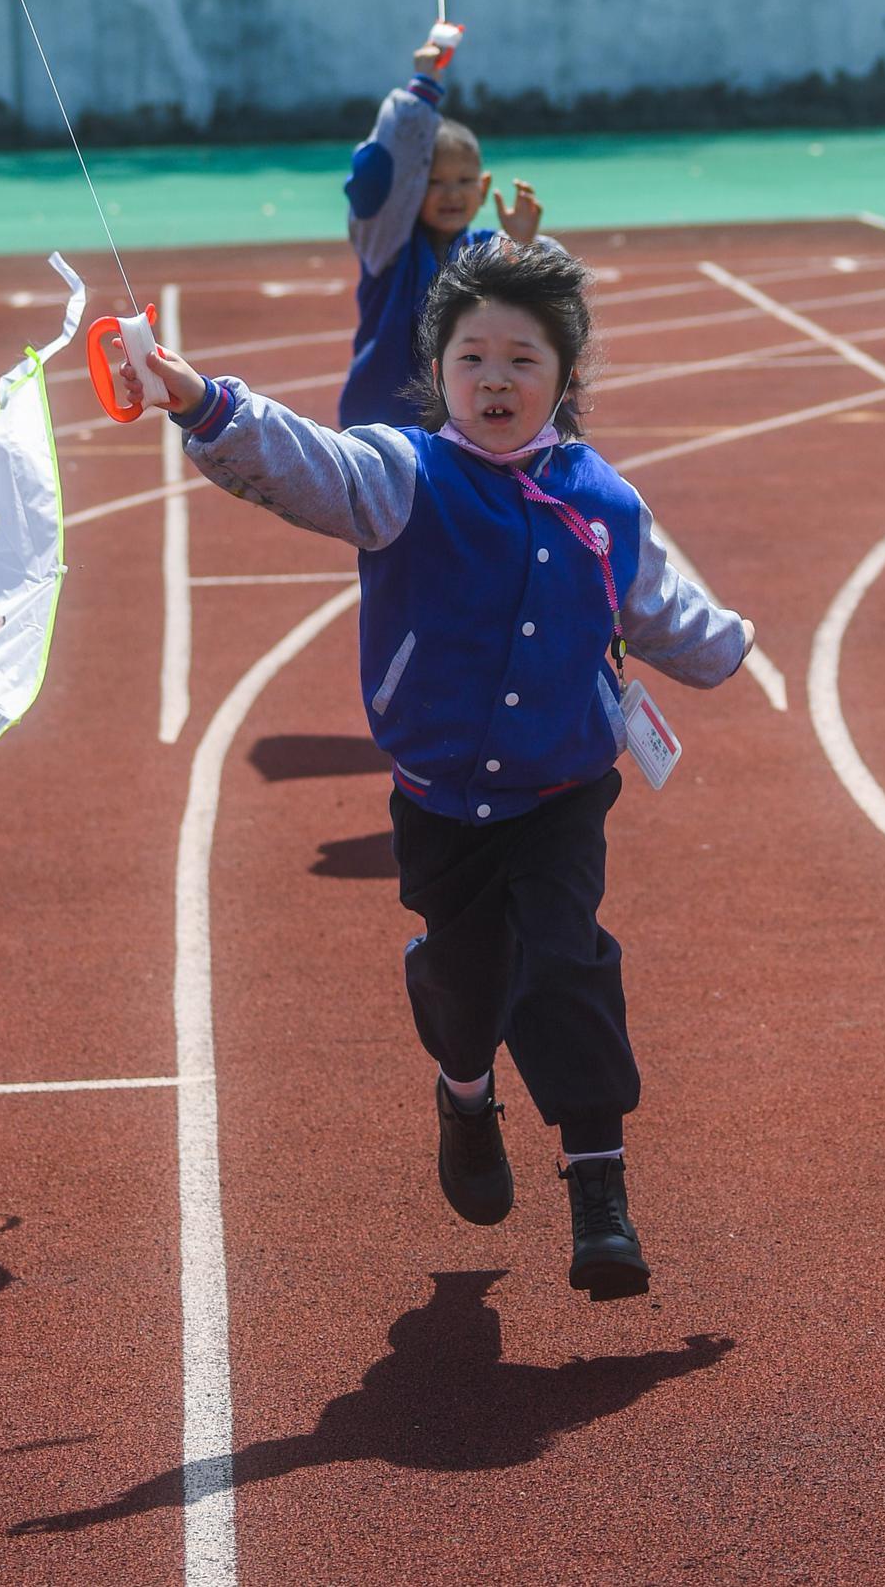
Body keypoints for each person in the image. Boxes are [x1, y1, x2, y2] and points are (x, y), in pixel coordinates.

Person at [121, 238, 753, 1300]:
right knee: (467, 989)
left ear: (564, 376)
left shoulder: (604, 500)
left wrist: (725, 646)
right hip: (441, 801)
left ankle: (598, 1190)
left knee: (566, 960)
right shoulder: (403, 476)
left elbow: (655, 605)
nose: (494, 380)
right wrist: (201, 400)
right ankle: (464, 1095)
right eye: (471, 358)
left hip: (560, 791)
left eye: (521, 359)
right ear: (439, 370)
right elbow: (298, 462)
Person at [338, 27, 541, 427]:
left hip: (460, 430)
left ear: (483, 188)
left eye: (464, 181)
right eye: (433, 181)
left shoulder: (487, 250)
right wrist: (423, 87)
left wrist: (522, 245)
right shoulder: (388, 246)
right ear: (411, 189)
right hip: (383, 427)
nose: (451, 193)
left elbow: (526, 310)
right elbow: (376, 175)